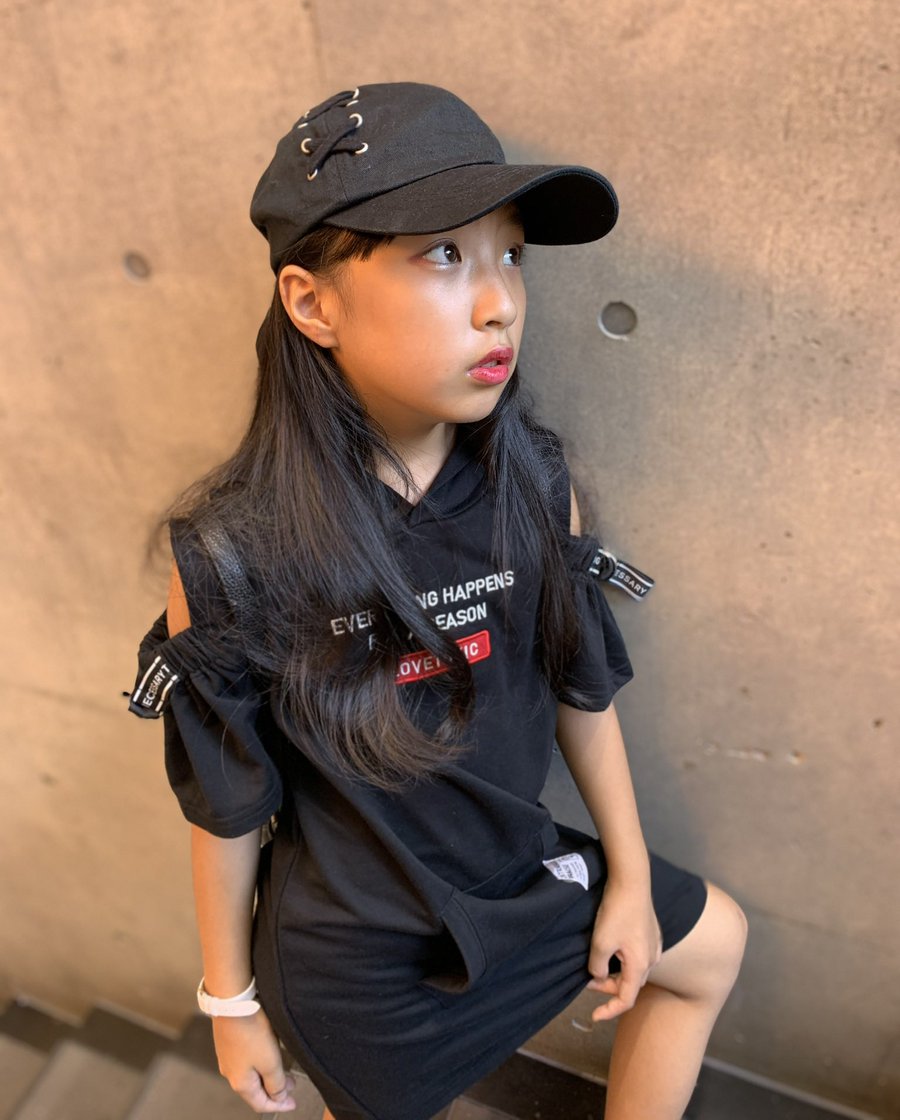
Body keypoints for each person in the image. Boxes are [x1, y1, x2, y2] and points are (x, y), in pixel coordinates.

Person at [129, 82, 746, 1120]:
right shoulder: (236, 554)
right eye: (446, 255)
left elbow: (581, 692)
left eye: (512, 254)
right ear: (312, 303)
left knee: (712, 943)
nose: (500, 301)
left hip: (515, 879)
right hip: (360, 969)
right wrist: (228, 1000)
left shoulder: (535, 483)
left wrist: (632, 882)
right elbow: (229, 809)